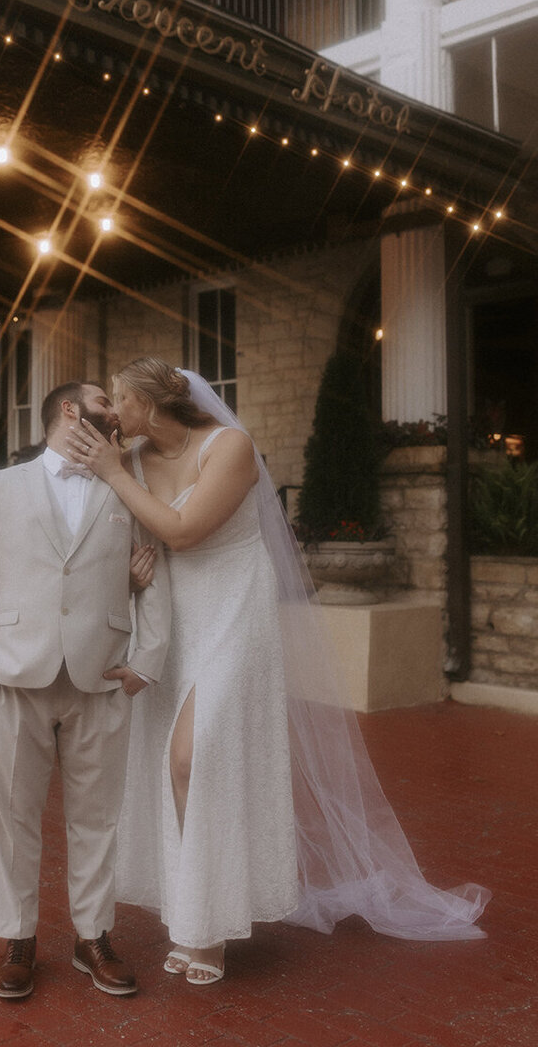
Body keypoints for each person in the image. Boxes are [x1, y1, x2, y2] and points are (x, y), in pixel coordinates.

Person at [66, 358, 489, 986]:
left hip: (234, 609)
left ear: (150, 403)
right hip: (172, 619)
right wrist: (128, 567)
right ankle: (195, 917)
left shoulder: (229, 447)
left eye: (119, 400)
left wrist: (110, 472)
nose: (112, 414)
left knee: (195, 755)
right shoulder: (132, 461)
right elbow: (128, 538)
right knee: (168, 762)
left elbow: (183, 531)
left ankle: (210, 928)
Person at [0, 380, 170, 1000]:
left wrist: (146, 660)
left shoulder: (128, 489)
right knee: (14, 816)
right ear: (70, 410)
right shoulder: (0, 486)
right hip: (12, 674)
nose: (116, 412)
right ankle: (19, 937)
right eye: (105, 401)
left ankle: (93, 937)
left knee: (97, 819)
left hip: (101, 676)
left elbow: (153, 577)